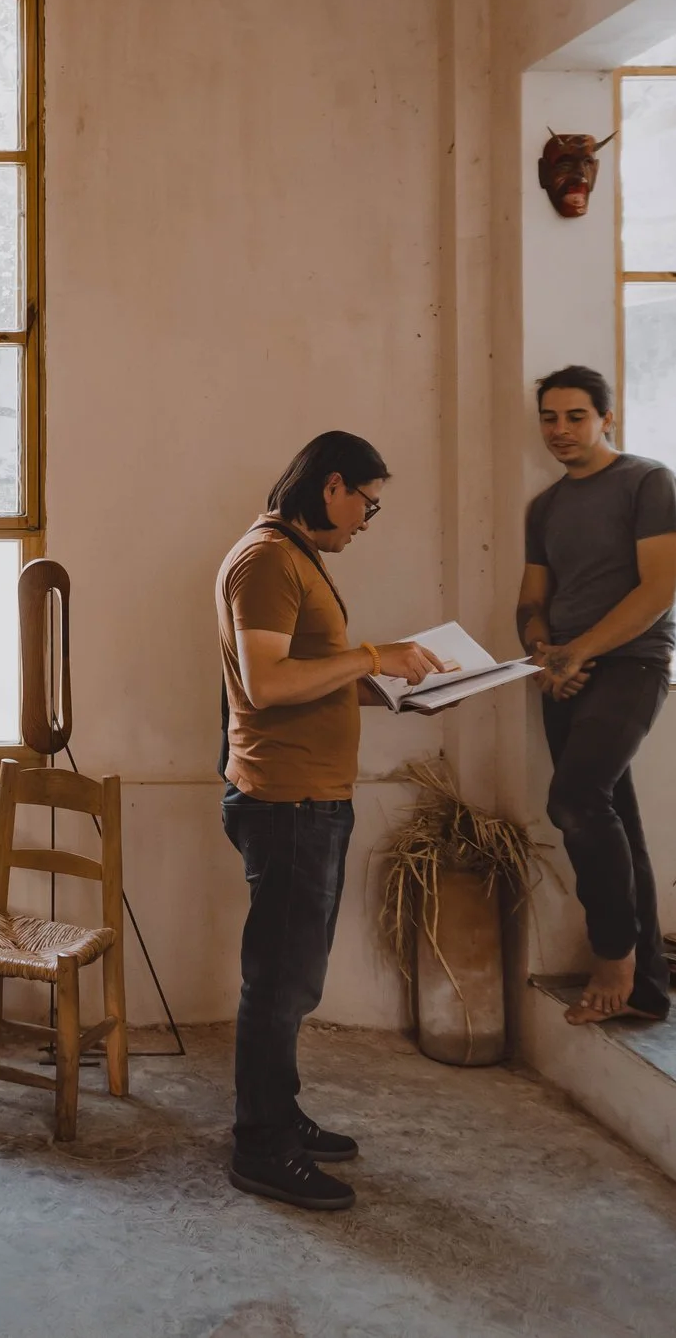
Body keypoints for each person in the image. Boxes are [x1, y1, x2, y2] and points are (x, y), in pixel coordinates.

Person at [217, 431, 447, 1212]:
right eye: (367, 502)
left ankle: (275, 1113)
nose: (367, 519)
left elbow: (308, 674)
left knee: (292, 978)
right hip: (288, 802)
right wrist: (375, 654)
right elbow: (267, 682)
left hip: (310, 797)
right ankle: (260, 1147)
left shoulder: (294, 556)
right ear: (333, 484)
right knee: (279, 984)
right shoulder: (267, 560)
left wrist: (390, 686)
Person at [517, 366, 676, 1026]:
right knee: (616, 816)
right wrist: (542, 650)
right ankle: (646, 986)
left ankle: (613, 954)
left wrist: (577, 652)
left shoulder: (649, 481)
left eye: (576, 416)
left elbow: (657, 592)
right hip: (563, 671)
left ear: (606, 418)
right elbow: (532, 599)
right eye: (550, 417)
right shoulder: (546, 506)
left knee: (575, 799)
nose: (561, 430)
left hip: (630, 664)